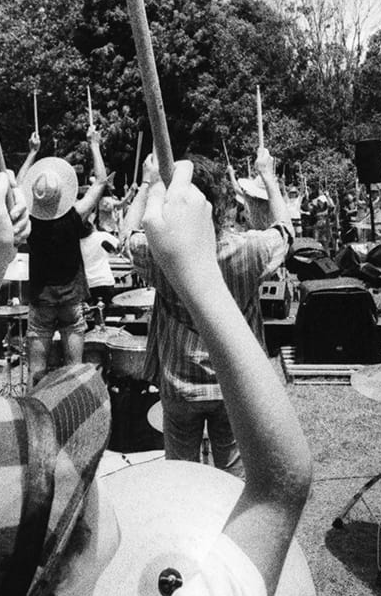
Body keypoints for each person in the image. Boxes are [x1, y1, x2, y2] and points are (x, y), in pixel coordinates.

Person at [0, 164, 312, 596]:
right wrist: (203, 274)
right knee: (219, 487)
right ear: (62, 569)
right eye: (75, 468)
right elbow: (280, 486)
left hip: (178, 387)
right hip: (213, 384)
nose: (93, 464)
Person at [122, 148, 292, 475]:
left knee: (183, 480)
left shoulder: (159, 255)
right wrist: (269, 179)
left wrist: (147, 184)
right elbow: (285, 231)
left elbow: (127, 237)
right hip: (236, 383)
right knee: (232, 478)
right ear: (222, 202)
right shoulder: (250, 249)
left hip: (179, 383)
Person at [19, 126, 109, 384]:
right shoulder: (75, 215)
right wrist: (94, 144)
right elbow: (101, 181)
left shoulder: (29, 219)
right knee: (74, 371)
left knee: (36, 372)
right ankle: (73, 418)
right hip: (71, 297)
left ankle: (33, 416)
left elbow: (15, 184)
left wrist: (32, 153)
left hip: (41, 298)